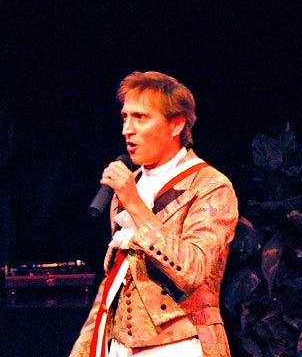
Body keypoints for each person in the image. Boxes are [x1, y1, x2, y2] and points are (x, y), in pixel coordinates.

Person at [70, 71, 239, 357]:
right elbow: (115, 280)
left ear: (176, 125)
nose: (127, 130)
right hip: (120, 348)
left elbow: (193, 271)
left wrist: (135, 205)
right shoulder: (131, 184)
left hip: (180, 346)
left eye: (141, 117)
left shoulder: (210, 185)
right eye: (125, 117)